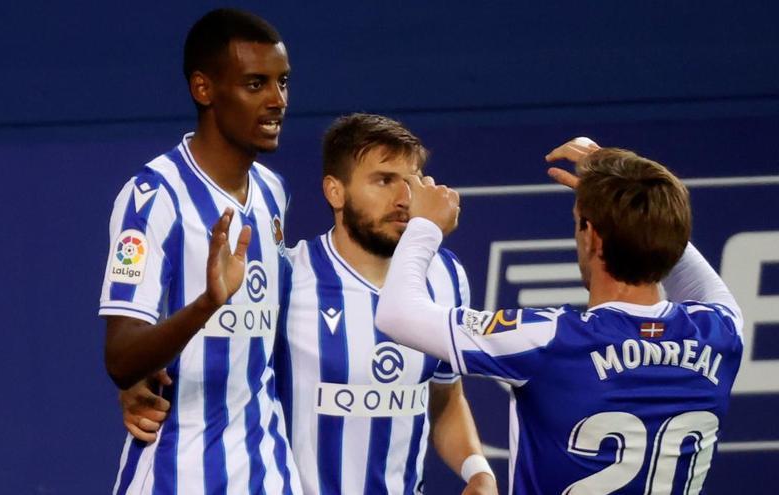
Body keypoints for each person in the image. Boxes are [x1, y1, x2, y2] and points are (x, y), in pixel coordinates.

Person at [121, 114, 498, 494]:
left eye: (412, 181)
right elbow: (215, 358)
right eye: (384, 180)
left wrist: (478, 470)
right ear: (335, 191)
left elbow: (446, 398)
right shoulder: (288, 276)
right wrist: (137, 382)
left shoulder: (446, 276)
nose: (404, 199)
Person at [375, 138, 744, 494]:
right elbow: (679, 254)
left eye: (577, 223)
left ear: (592, 237)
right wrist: (624, 197)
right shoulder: (721, 331)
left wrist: (424, 226)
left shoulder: (551, 340)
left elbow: (397, 314)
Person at [99, 9, 301, 494]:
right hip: (178, 472)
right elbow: (122, 360)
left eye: (283, 83)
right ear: (203, 89)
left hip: (268, 470)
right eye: (256, 84)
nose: (277, 101)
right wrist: (207, 305)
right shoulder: (154, 198)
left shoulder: (273, 192)